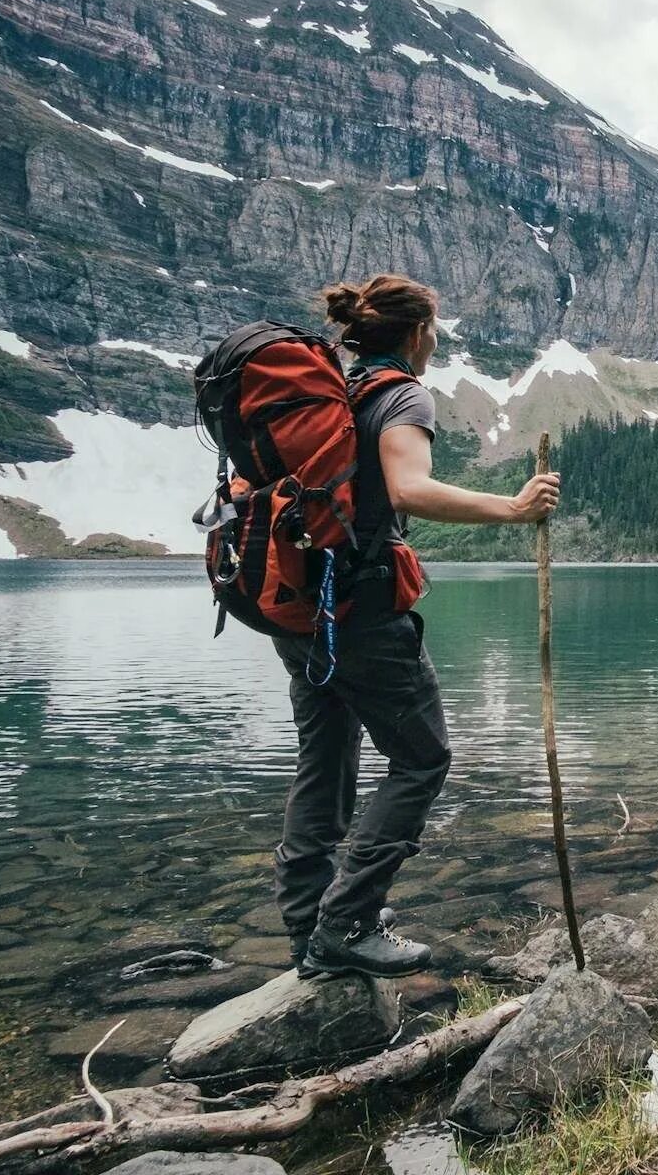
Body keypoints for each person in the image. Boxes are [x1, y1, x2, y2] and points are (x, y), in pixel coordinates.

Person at [278, 273, 560, 979]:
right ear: (416, 334)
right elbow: (409, 489)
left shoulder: (332, 395)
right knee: (422, 758)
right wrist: (514, 509)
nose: (436, 341)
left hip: (299, 609)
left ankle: (310, 924)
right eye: (434, 329)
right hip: (364, 617)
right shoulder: (401, 393)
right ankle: (344, 925)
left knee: (325, 763)